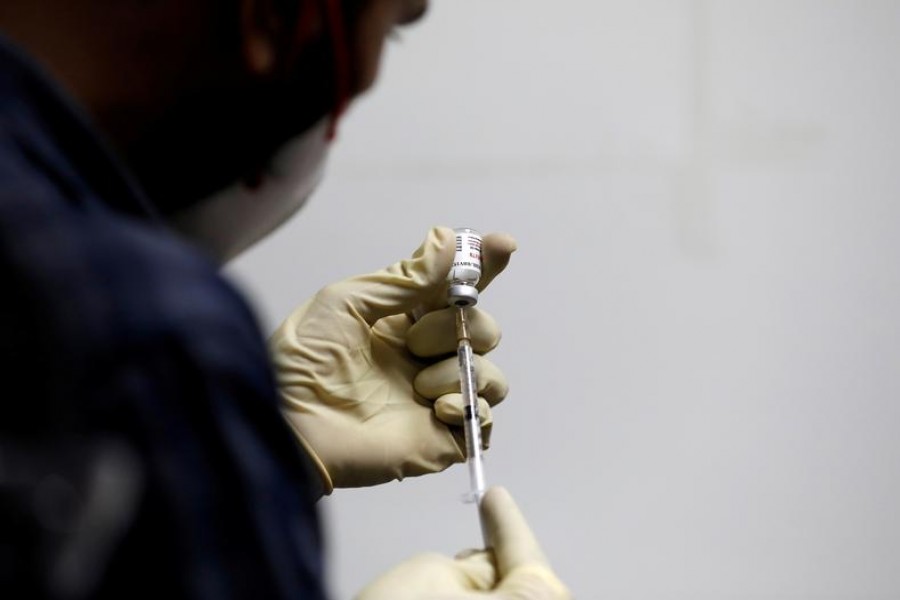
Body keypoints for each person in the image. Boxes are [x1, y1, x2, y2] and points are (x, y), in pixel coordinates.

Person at [0, 1, 570, 598]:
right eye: (395, 28)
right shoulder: (144, 337)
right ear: (268, 17)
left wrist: (261, 449)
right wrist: (199, 416)